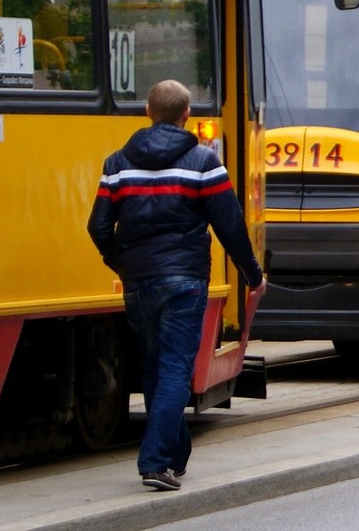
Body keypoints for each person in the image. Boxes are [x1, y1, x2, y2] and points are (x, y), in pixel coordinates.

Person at [87, 80, 263, 493]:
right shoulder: (203, 162)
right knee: (174, 370)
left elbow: (97, 226)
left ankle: (175, 454)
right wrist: (253, 275)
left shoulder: (117, 163)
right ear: (187, 115)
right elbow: (231, 225)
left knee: (155, 366)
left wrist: (122, 260)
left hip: (139, 282)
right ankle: (155, 461)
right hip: (184, 281)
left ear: (147, 111)